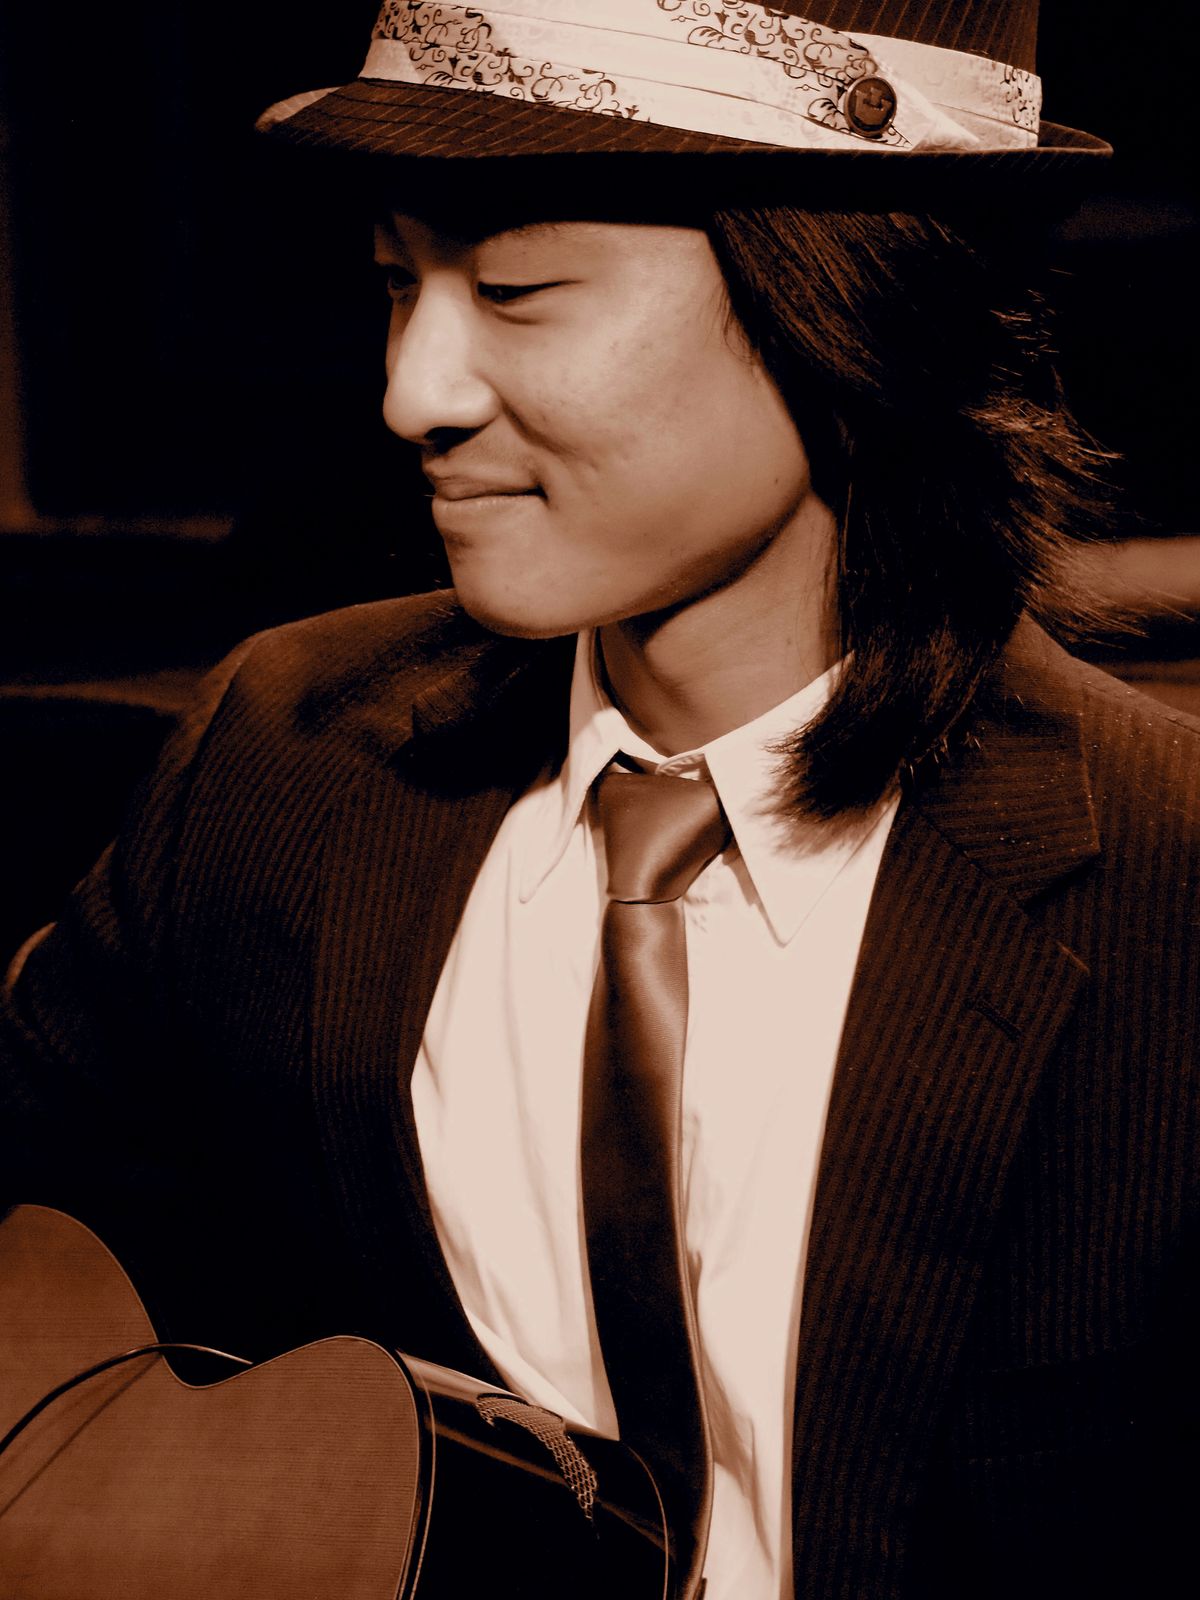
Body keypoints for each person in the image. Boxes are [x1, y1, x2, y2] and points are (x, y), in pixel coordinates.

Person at [2, 2, 1197, 1596]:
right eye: (397, 284)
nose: (414, 392)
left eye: (517, 292)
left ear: (850, 304)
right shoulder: (285, 755)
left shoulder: (1171, 885)